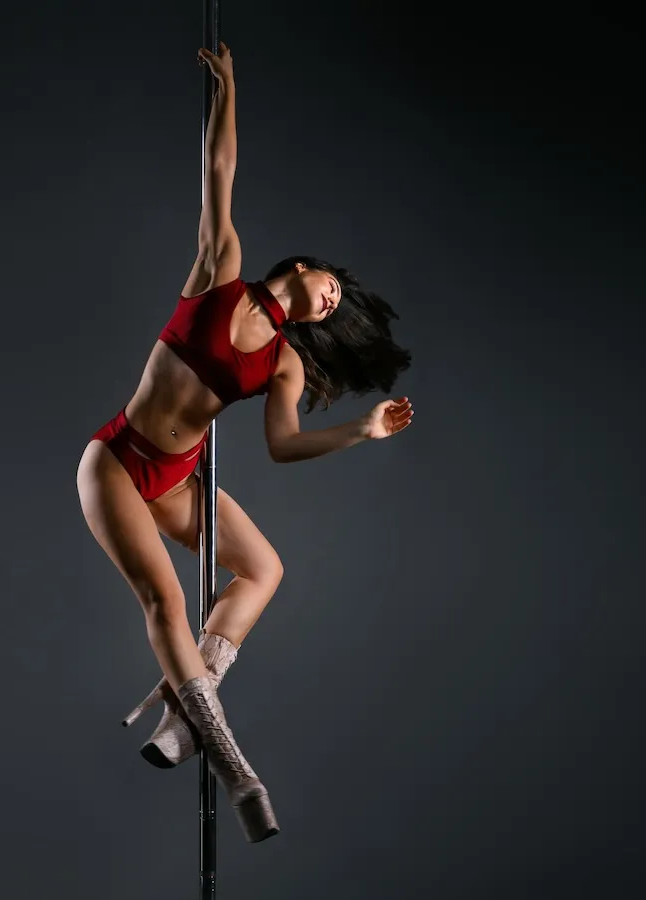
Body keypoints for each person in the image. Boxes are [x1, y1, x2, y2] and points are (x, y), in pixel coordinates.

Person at [74, 41, 413, 844]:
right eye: (329, 289)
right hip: (118, 464)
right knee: (164, 601)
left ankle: (185, 715)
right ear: (297, 268)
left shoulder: (285, 362)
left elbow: (283, 448)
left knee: (264, 568)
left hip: (181, 477)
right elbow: (218, 171)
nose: (331, 303)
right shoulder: (219, 273)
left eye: (335, 308)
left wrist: (359, 432)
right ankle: (234, 765)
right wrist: (228, 89)